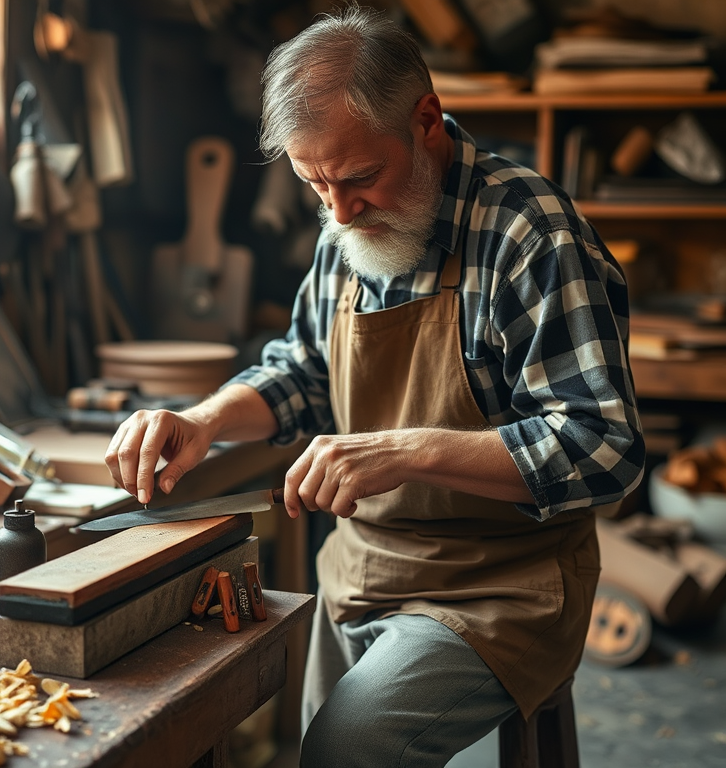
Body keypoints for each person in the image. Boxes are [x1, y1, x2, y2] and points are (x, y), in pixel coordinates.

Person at [106, 6, 645, 766]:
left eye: (358, 177)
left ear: (427, 120)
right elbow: (301, 368)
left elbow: (603, 447)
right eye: (312, 183)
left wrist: (409, 451)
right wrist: (204, 419)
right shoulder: (347, 229)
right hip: (366, 566)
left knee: (347, 747)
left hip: (503, 587)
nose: (337, 211)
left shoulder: (530, 233)